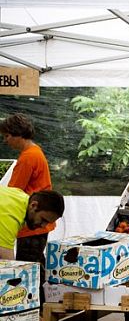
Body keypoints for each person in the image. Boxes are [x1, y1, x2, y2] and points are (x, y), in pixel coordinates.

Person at [0, 113, 54, 264]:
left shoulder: (27, 158)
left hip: (32, 224)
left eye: (7, 136)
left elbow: (12, 193)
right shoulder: (35, 151)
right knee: (35, 263)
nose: (6, 141)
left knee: (26, 266)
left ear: (18, 134)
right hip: (38, 221)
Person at [0, 187, 64, 261]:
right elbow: (7, 263)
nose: (43, 226)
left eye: (48, 223)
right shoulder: (11, 217)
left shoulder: (20, 197)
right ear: (33, 205)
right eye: (43, 219)